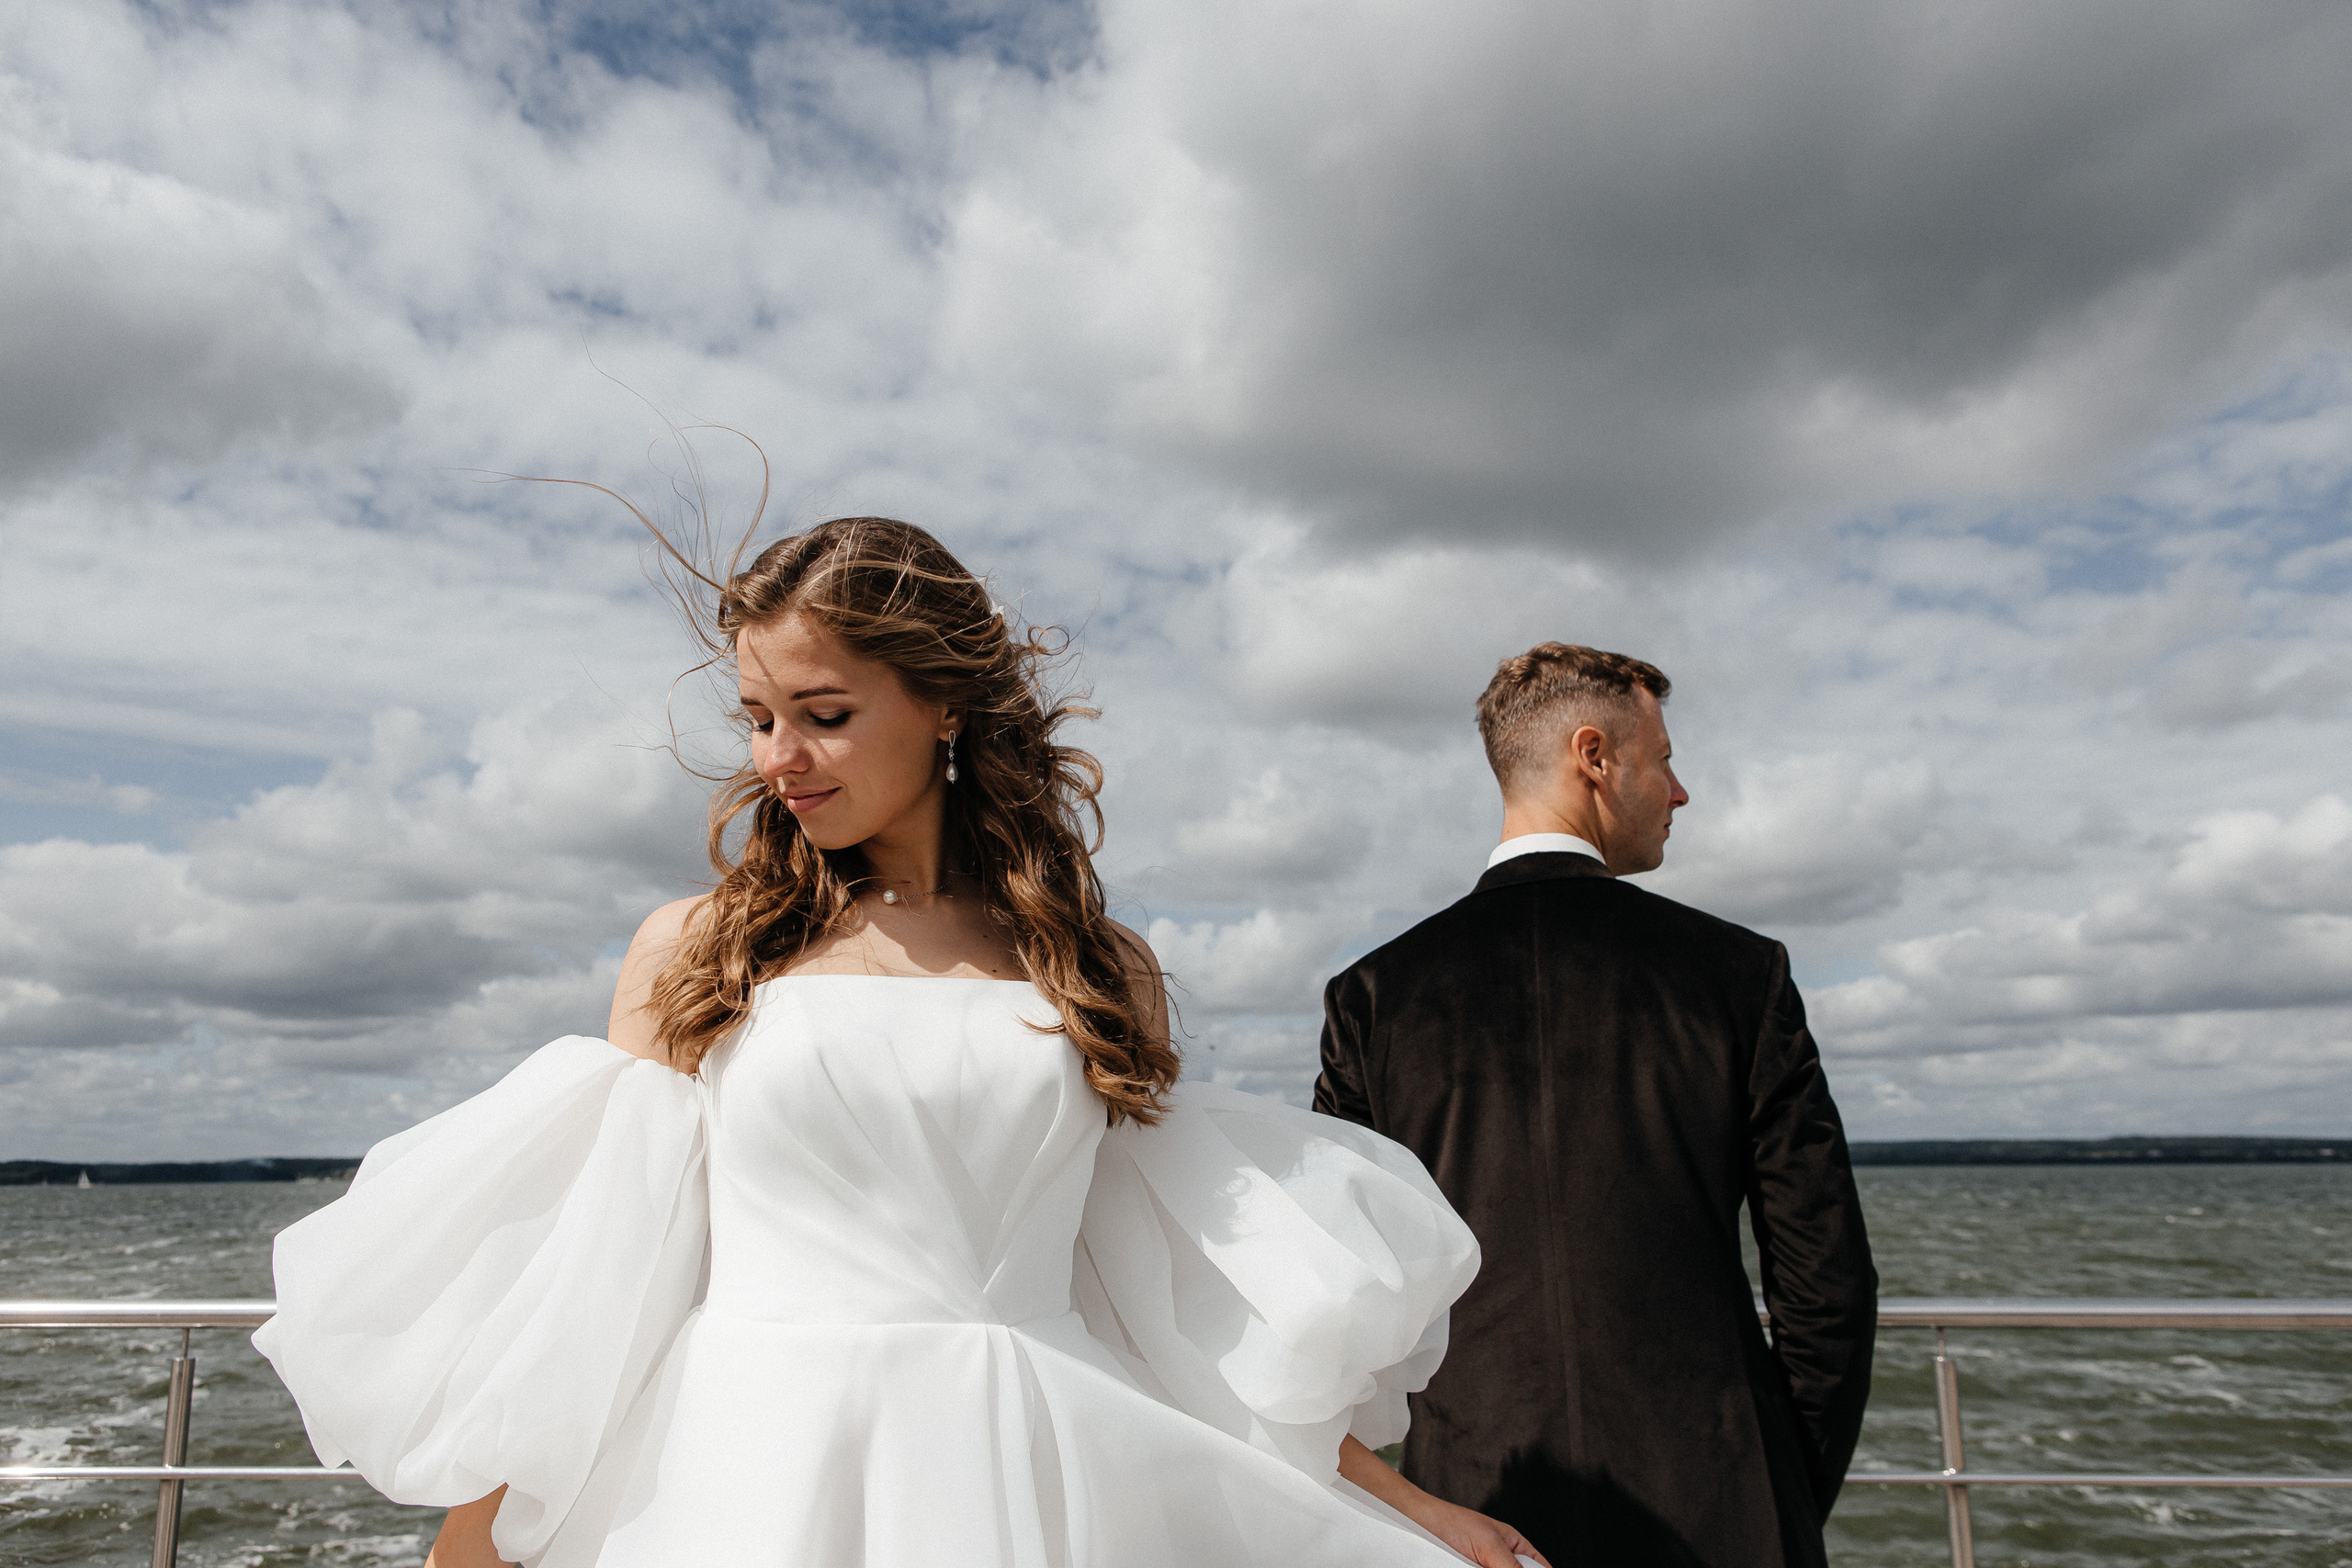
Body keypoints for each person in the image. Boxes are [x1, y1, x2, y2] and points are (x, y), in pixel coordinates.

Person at [254, 517, 1548, 1568]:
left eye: (820, 711)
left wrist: (1411, 1509)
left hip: (1043, 1473)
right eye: (757, 717)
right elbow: (603, 1273)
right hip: (748, 1476)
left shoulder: (1096, 967)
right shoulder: (698, 950)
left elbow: (1181, 1294)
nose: (780, 758)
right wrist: (471, 1537)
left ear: (945, 708)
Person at [1314, 642, 1878, 1568]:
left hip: (1468, 1510)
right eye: (1665, 758)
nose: (1679, 790)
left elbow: (1335, 1283)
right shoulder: (1739, 974)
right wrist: (1776, 1490)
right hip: (1725, 1505)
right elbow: (1826, 1286)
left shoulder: (1372, 996)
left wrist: (1410, 1507)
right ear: (1595, 757)